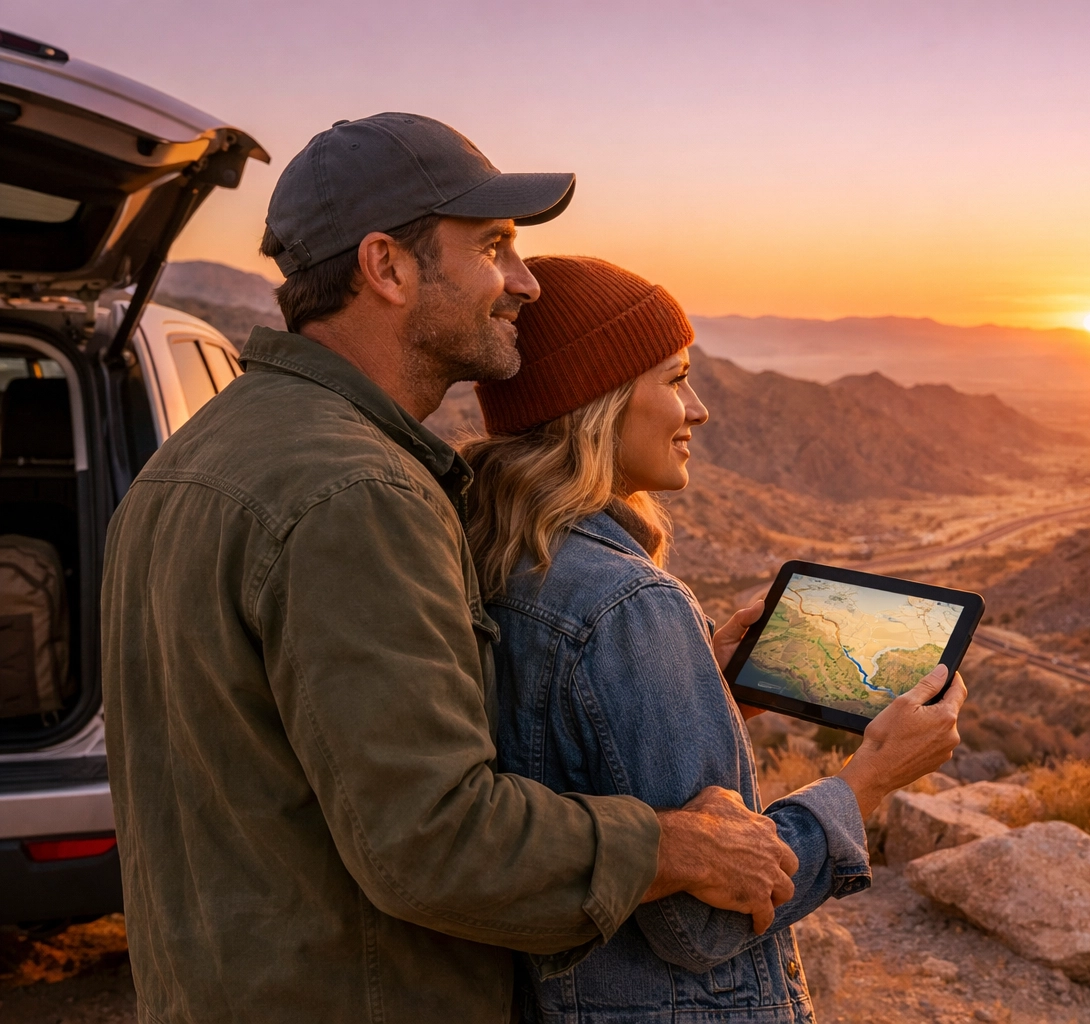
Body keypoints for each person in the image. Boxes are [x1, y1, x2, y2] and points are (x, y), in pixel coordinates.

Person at [101, 115, 797, 1024]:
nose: (525, 280)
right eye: (496, 246)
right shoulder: (353, 495)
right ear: (386, 267)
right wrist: (680, 847)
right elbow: (432, 841)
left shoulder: (198, 456)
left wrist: (671, 686)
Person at [462, 255, 967, 1022]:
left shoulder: (496, 557)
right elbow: (709, 919)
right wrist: (870, 780)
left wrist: (708, 691)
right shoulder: (629, 603)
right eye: (674, 379)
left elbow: (566, 759)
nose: (697, 409)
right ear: (593, 402)